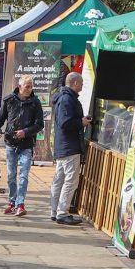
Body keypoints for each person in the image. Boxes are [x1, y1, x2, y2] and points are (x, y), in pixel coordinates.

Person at [0, 74, 44, 217]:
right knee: (11, 175)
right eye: (27, 86)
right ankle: (12, 203)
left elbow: (39, 124)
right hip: (10, 143)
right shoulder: (9, 100)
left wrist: (25, 132)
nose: (29, 89)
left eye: (31, 86)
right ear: (19, 87)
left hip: (26, 144)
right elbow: (0, 119)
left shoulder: (35, 102)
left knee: (24, 175)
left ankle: (20, 204)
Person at [49, 73, 89, 226]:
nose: (83, 85)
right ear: (75, 83)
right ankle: (62, 212)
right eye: (81, 83)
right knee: (70, 181)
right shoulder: (67, 99)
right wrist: (82, 122)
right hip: (69, 146)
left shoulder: (63, 98)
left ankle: (55, 210)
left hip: (63, 146)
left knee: (59, 179)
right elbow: (65, 123)